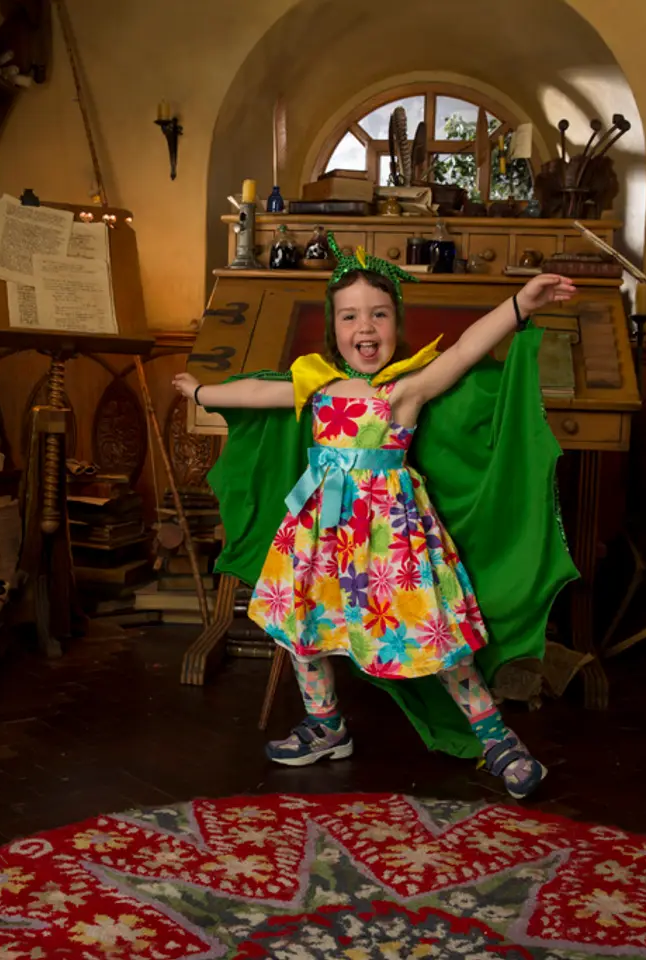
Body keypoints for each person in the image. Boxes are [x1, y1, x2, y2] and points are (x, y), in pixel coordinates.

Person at [171, 236, 579, 799]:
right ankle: (325, 725)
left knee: (434, 634)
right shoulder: (316, 384)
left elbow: (465, 350)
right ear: (333, 328)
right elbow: (257, 393)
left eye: (379, 314)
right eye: (350, 316)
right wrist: (202, 393)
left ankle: (496, 738)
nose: (365, 326)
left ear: (395, 322)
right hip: (319, 530)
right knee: (303, 628)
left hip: (391, 539)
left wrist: (520, 305)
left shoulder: (406, 388)